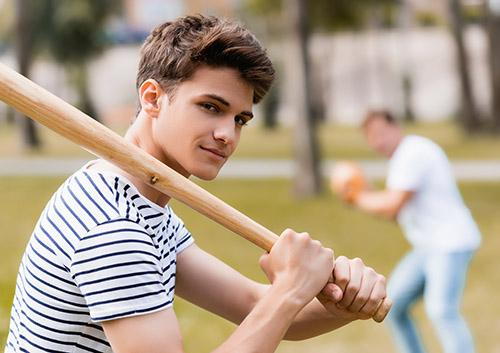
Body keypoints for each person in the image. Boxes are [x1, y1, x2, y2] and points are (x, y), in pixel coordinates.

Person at [5, 15, 389, 353]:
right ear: (153, 98)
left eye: (240, 119)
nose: (227, 134)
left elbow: (256, 304)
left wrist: (341, 303)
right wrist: (289, 290)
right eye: (211, 107)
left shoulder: (139, 203)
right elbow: (273, 307)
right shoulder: (114, 226)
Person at [337, 110, 481, 353]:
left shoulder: (413, 152)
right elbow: (394, 211)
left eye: (382, 133)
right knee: (391, 305)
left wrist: (355, 195)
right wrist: (366, 193)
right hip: (427, 247)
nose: (378, 141)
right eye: (372, 137)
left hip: (449, 243)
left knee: (441, 310)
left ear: (396, 128)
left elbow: (393, 204)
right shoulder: (402, 158)